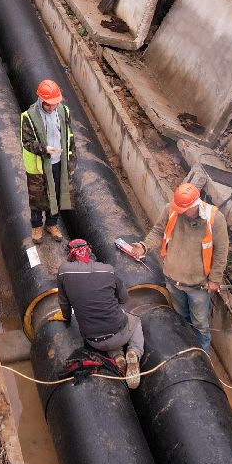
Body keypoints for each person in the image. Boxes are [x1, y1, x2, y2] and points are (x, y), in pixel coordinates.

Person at [122, 183, 226, 351]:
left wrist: (215, 279)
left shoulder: (214, 219)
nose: (178, 211)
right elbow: (157, 231)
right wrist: (144, 246)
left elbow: (221, 251)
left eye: (183, 209)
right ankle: (185, 349)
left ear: (194, 205)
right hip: (173, 280)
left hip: (198, 285)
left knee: (200, 324)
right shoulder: (171, 210)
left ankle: (203, 355)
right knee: (181, 318)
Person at [57, 238, 142, 389]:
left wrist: (66, 318)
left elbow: (64, 303)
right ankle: (134, 352)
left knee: (103, 328)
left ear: (71, 254)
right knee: (134, 320)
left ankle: (117, 356)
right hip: (119, 332)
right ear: (90, 252)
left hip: (93, 341)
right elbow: (123, 299)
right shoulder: (108, 269)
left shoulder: (63, 271)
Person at [20, 79, 73, 243]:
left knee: (55, 194)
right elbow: (27, 142)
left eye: (54, 104)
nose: (51, 108)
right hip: (38, 165)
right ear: (40, 100)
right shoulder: (28, 117)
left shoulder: (64, 111)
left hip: (58, 162)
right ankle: (36, 226)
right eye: (48, 105)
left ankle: (52, 224)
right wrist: (45, 149)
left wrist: (71, 161)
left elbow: (69, 136)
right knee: (37, 196)